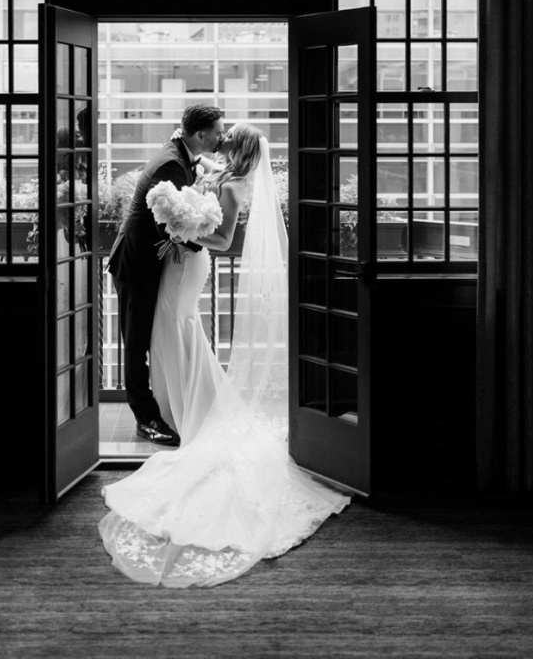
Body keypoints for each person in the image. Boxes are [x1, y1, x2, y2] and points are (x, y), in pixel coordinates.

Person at [99, 123, 351, 588]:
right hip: (179, 257)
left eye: (230, 137)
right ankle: (177, 404)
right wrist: (179, 215)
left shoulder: (234, 185)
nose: (223, 142)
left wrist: (183, 233)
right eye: (222, 135)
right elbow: (195, 164)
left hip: (191, 260)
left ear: (242, 147)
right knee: (169, 332)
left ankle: (191, 409)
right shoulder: (216, 170)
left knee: (178, 327)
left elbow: (225, 238)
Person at [107, 104, 225, 447]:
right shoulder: (172, 163)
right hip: (136, 263)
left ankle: (165, 402)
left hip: (150, 261)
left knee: (147, 334)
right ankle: (146, 417)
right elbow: (168, 222)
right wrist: (201, 242)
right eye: (218, 131)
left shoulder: (182, 153)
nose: (222, 136)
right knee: (136, 340)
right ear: (200, 134)